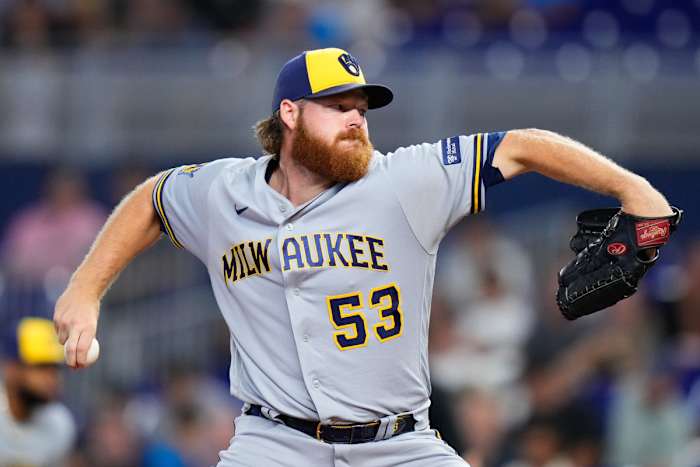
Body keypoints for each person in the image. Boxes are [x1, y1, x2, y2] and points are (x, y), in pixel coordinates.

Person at [54, 47, 673, 466]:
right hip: (274, 444)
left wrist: (636, 192)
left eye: (363, 108)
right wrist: (85, 290)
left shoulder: (404, 180)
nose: (357, 119)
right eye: (340, 106)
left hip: (398, 445)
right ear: (290, 115)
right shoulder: (224, 193)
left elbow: (525, 146)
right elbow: (153, 200)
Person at [1, 317, 76, 466]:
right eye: (41, 367)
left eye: (55, 369)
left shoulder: (59, 425)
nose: (52, 378)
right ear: (11, 368)